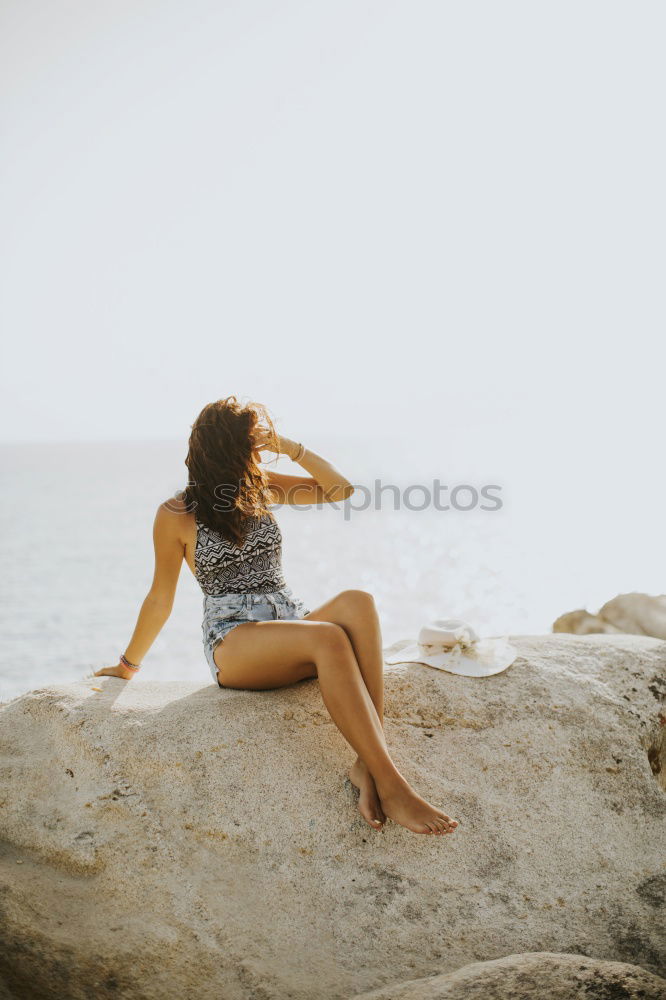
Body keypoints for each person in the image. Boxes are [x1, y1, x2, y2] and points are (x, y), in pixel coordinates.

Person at [95, 397, 458, 837]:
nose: (260, 451)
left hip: (290, 619)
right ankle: (393, 784)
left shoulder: (259, 487)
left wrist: (292, 448)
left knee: (357, 602)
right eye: (252, 442)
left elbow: (341, 491)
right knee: (327, 637)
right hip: (235, 640)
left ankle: (367, 763)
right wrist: (127, 666)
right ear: (225, 448)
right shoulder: (176, 514)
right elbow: (160, 598)